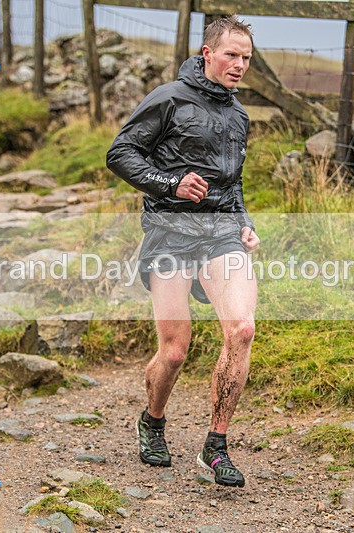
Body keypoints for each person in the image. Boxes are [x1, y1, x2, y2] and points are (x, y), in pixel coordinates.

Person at [106, 15, 259, 488]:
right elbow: (121, 153)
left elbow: (232, 185)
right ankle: (152, 420)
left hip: (220, 234)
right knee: (174, 353)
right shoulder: (169, 98)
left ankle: (215, 446)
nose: (239, 65)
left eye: (247, 58)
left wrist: (244, 223)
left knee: (242, 329)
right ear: (207, 53)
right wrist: (170, 182)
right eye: (232, 55)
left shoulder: (238, 116)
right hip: (170, 234)